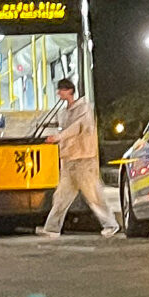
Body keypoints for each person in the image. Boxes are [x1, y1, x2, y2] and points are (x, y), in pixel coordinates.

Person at [37, 76, 120, 237]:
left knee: (93, 194)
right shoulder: (63, 113)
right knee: (61, 197)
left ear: (69, 91)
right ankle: (52, 228)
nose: (59, 93)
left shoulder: (84, 109)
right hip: (69, 160)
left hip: (84, 159)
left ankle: (111, 224)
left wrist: (59, 137)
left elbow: (78, 128)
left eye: (61, 89)